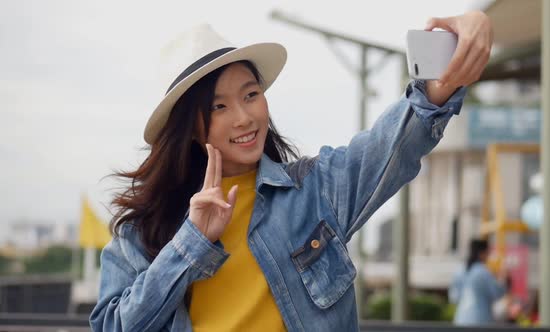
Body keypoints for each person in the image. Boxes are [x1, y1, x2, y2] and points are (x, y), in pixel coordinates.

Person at [90, 11, 492, 332]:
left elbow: (398, 140)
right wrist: (191, 243)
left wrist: (464, 44)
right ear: (190, 128)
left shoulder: (313, 190)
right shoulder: (142, 230)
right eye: (219, 106)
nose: (245, 117)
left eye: (251, 95)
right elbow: (113, 326)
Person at [449, 238, 508, 325]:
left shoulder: (460, 270)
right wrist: (503, 279)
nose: (489, 256)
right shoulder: (483, 271)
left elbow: (454, 298)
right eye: (488, 253)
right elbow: (497, 293)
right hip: (480, 319)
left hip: (461, 319)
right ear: (482, 253)